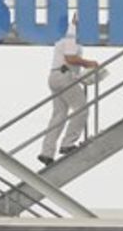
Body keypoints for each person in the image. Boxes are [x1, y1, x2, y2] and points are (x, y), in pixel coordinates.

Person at [38, 11, 99, 165]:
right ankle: (68, 143)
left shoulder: (63, 40)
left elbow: (68, 61)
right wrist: (88, 63)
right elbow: (70, 58)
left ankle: (47, 152)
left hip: (55, 76)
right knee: (81, 108)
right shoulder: (71, 34)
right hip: (64, 76)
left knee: (59, 115)